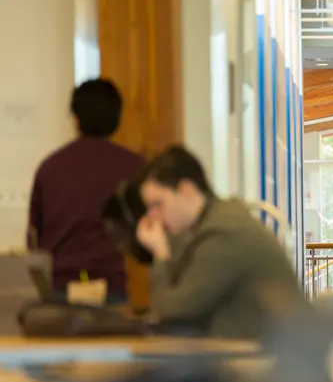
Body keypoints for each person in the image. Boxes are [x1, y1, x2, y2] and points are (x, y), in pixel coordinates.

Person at [135, 145, 305, 339]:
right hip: (259, 351)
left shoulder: (224, 233)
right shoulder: (213, 223)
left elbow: (172, 311)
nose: (152, 216)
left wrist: (160, 253)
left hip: (265, 360)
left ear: (186, 190)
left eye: (157, 204)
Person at [28, 79, 145, 302]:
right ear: (117, 118)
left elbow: (34, 236)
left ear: (76, 118)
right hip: (111, 285)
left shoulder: (50, 167)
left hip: (58, 286)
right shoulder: (135, 167)